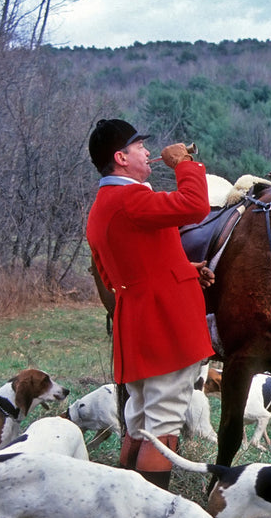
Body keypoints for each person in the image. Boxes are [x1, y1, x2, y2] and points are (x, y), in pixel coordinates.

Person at [85, 118, 214, 489]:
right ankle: (147, 516)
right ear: (121, 158)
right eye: (139, 145)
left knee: (139, 419)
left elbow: (117, 273)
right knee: (163, 423)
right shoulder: (131, 197)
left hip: (136, 324)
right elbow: (195, 206)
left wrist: (185, 270)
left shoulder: (102, 206)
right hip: (165, 326)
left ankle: (126, 501)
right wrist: (184, 164)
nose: (146, 151)